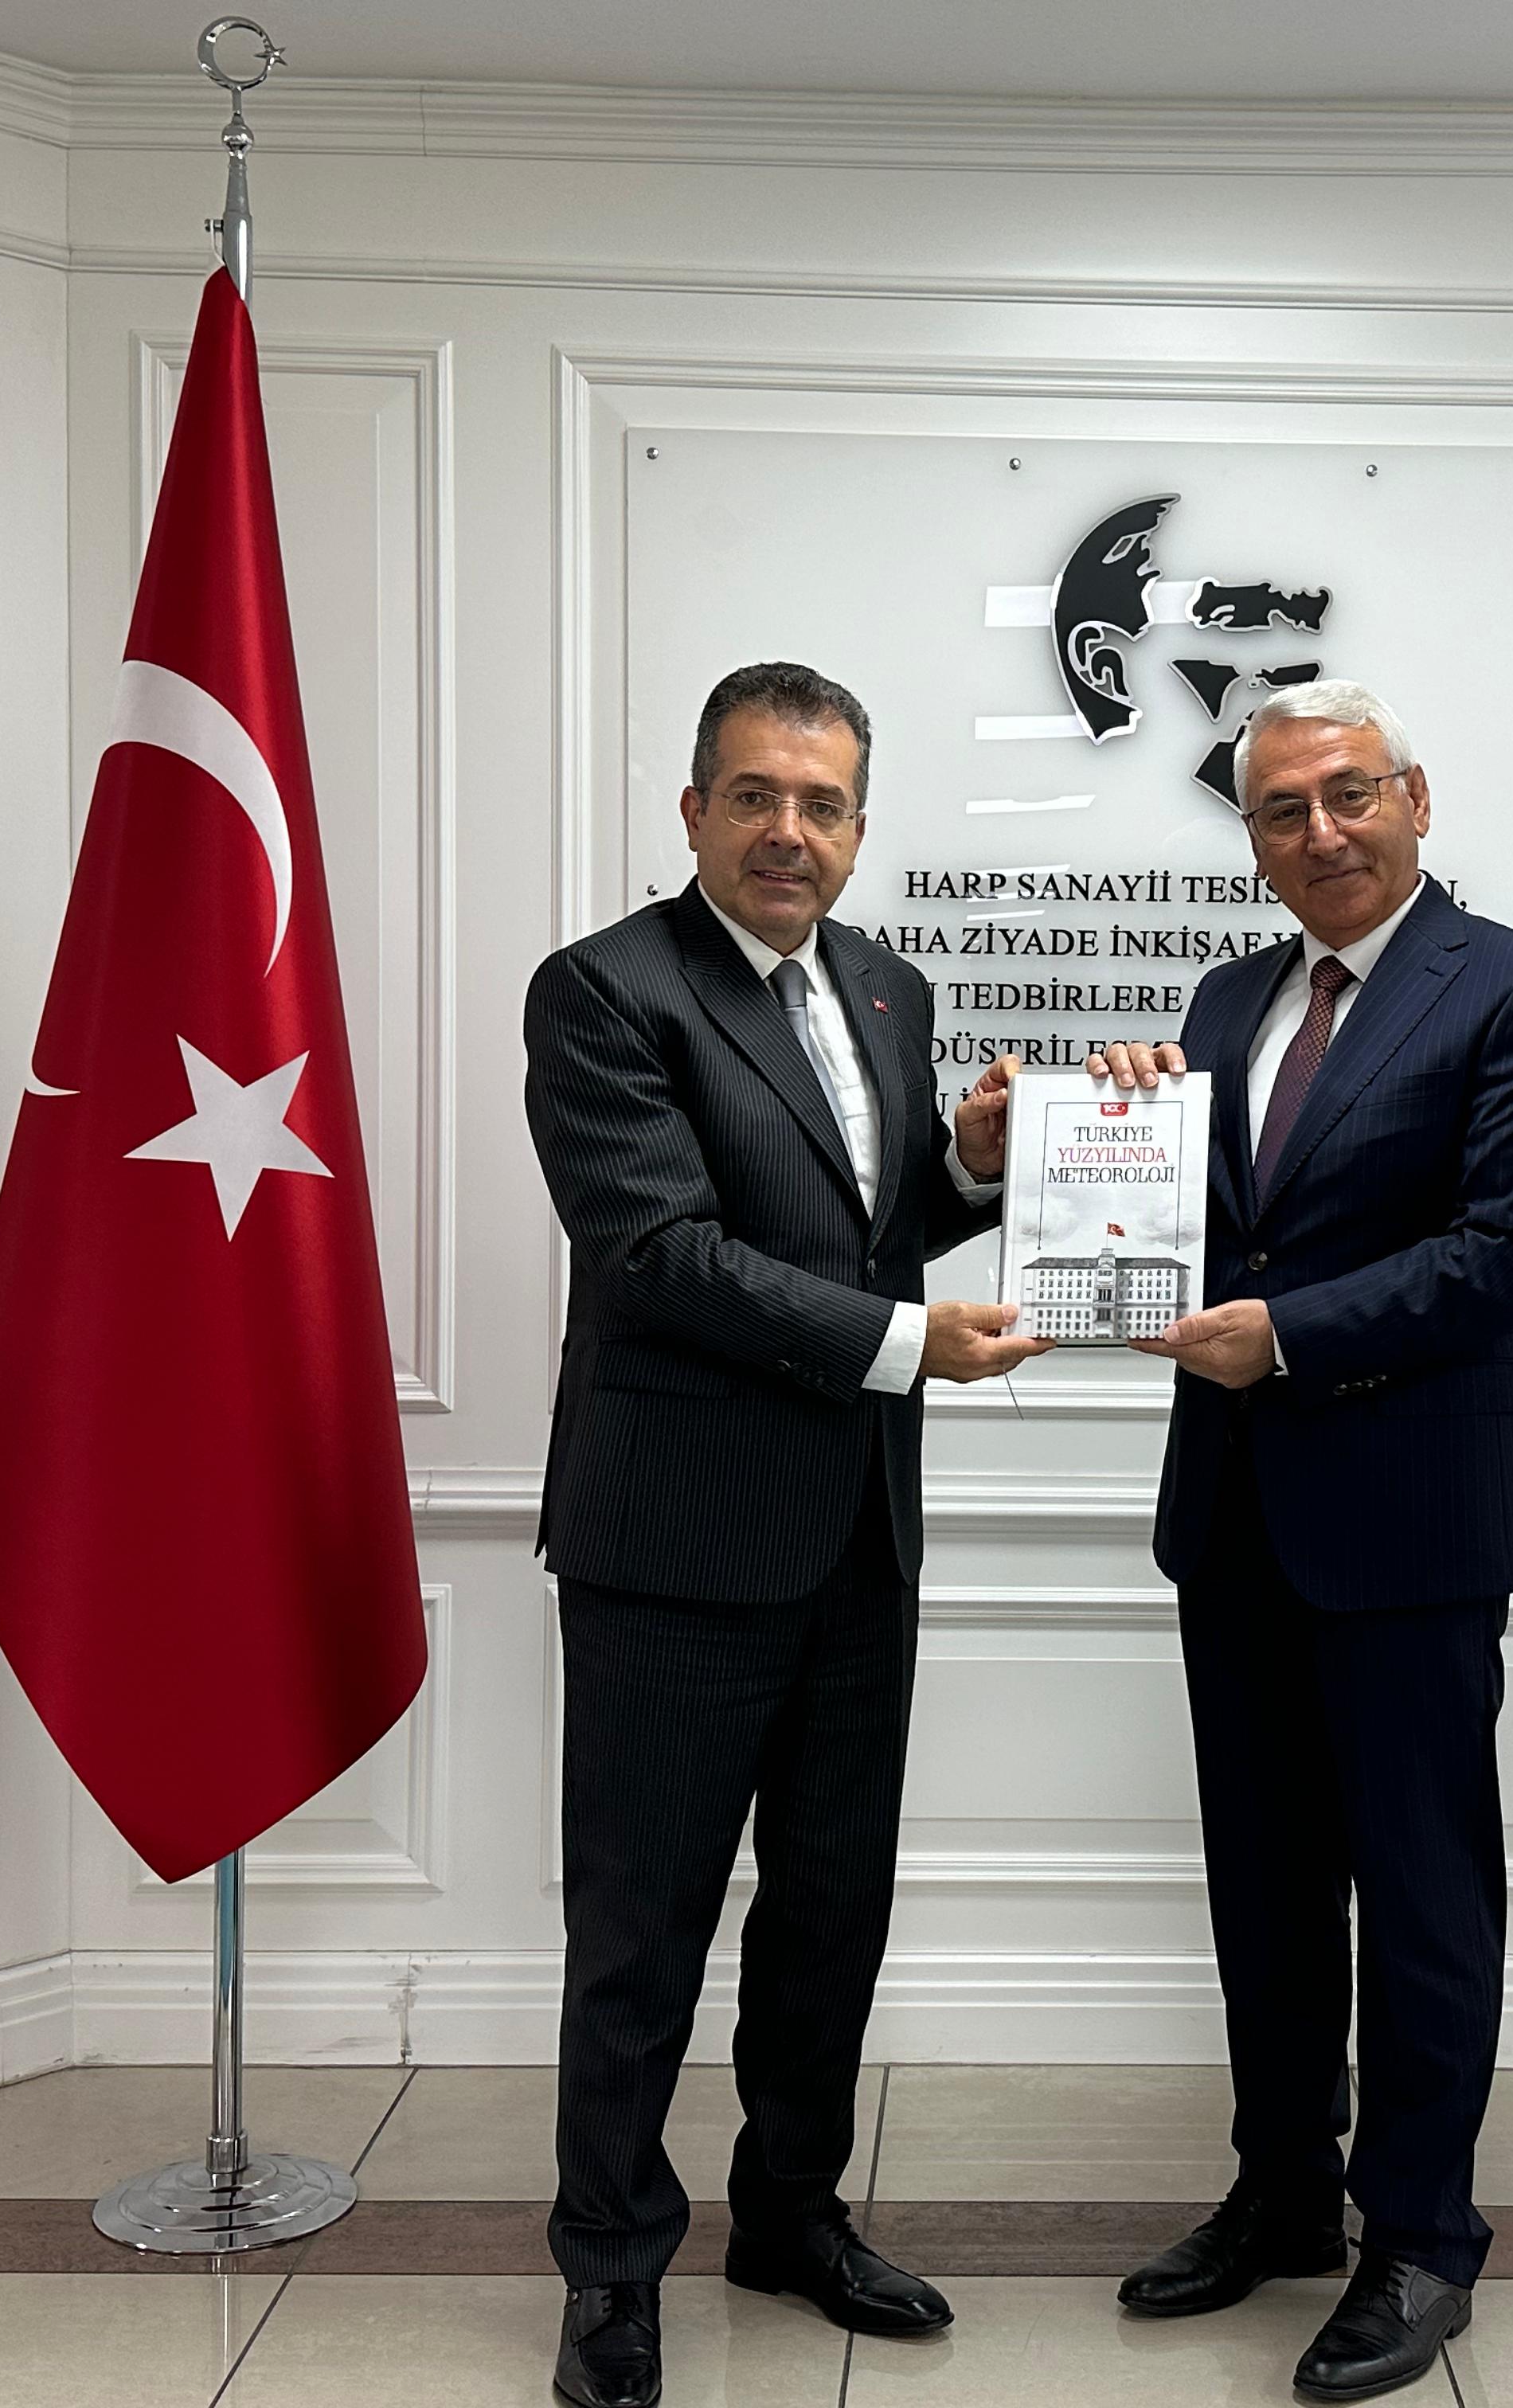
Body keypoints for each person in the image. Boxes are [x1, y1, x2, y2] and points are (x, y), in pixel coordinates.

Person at [523, 661, 1046, 2408]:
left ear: (860, 829)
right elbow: (661, 1253)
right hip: (675, 1548)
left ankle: (791, 2216)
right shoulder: (606, 991)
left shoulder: (887, 989)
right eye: (754, 795)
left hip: (856, 1543)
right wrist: (909, 1345)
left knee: (831, 1913)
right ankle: (611, 2269)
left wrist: (971, 1169)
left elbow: (867, 1231)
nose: (787, 831)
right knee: (643, 1933)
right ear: (694, 811)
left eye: (822, 804)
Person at [1093, 680, 1513, 2403]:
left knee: (1423, 1892)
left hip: (1412, 1523)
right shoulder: (1229, 998)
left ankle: (1423, 2236)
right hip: (1234, 1516)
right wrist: (1117, 1127)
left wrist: (1292, 1337)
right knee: (1265, 1890)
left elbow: (1511, 1252)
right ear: (1249, 838)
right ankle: (1281, 2195)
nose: (1320, 833)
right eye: (1281, 811)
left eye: (1349, 795)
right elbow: (1205, 1229)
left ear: (1416, 798)